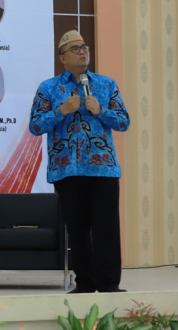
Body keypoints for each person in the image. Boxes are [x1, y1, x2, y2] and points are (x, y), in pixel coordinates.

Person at [29, 30, 130, 293]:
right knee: (77, 230)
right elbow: (35, 126)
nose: (83, 52)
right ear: (62, 57)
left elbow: (123, 122)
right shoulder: (48, 88)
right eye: (75, 48)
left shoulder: (106, 85)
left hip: (103, 168)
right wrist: (61, 111)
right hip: (66, 170)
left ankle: (109, 285)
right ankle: (84, 283)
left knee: (106, 228)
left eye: (84, 47)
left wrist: (101, 110)